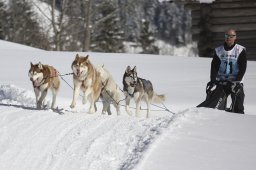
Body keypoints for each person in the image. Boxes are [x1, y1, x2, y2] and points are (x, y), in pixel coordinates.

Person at [199, 29, 247, 114]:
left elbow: (243, 67)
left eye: (231, 36)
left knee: (238, 107)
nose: (229, 38)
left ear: (235, 37)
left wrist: (237, 81)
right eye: (227, 36)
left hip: (235, 83)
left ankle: (237, 117)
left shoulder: (240, 50)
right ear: (224, 37)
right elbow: (214, 66)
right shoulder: (218, 50)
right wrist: (213, 80)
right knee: (213, 105)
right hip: (222, 81)